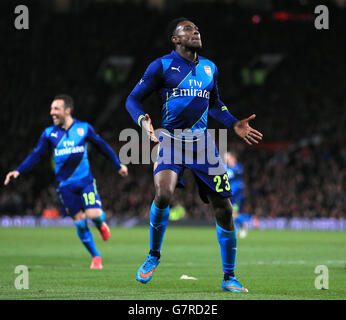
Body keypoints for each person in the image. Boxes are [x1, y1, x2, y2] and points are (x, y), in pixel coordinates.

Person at [126, 18, 263, 293]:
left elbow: (214, 104)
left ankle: (229, 276)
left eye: (197, 28)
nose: (195, 31)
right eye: (188, 29)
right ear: (175, 39)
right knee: (163, 194)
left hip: (202, 145)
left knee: (224, 209)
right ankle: (154, 254)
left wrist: (233, 122)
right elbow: (131, 99)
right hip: (171, 141)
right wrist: (142, 121)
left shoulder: (210, 68)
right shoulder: (161, 66)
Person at [4, 94, 128, 269]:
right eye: (51, 109)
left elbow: (102, 146)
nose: (52, 112)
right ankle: (96, 256)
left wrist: (118, 165)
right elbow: (37, 154)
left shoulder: (84, 129)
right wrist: (19, 170)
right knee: (79, 221)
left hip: (85, 181)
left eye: (56, 109)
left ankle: (100, 224)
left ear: (67, 110)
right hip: (65, 187)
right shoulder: (49, 134)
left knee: (93, 215)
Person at [224, 151, 252, 238]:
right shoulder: (226, 168)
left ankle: (240, 226)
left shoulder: (237, 167)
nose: (225, 158)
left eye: (227, 157)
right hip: (229, 194)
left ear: (232, 158)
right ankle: (241, 225)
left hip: (237, 195)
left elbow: (238, 173)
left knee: (234, 212)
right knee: (231, 213)